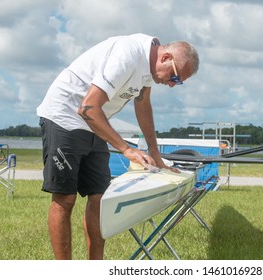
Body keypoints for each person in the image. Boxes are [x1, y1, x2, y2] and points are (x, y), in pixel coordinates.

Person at [36, 33, 199, 260]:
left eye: (178, 82)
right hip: (64, 115)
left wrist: (156, 155)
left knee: (99, 198)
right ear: (165, 57)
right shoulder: (128, 55)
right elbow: (88, 107)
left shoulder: (151, 69)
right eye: (175, 78)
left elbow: (142, 104)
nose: (172, 85)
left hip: (93, 121)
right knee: (65, 198)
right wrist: (126, 148)